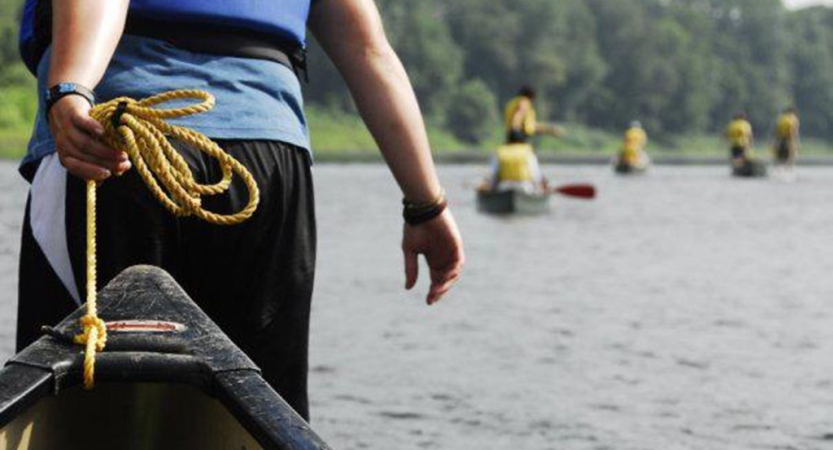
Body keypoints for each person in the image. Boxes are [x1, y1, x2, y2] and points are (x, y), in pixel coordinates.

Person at [16, 0, 464, 420]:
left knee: (72, 406)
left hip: (124, 141)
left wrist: (71, 89)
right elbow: (368, 50)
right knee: (259, 409)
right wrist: (426, 204)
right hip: (267, 162)